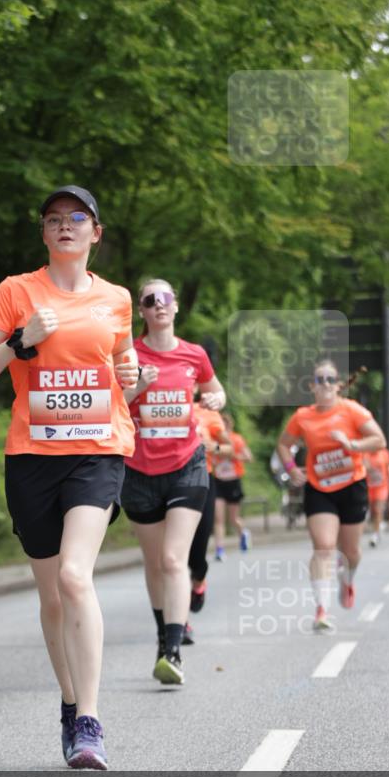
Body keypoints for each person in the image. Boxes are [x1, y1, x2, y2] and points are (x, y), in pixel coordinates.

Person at [0, 185, 138, 770]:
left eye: (77, 218)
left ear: (96, 232)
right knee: (51, 595)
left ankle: (89, 721)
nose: (65, 226)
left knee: (72, 575)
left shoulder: (116, 299)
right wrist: (19, 342)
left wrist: (130, 379)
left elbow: (122, 371)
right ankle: (69, 703)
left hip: (98, 451)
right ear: (44, 234)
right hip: (33, 457)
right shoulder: (16, 292)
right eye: (54, 219)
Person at [121, 280, 225, 685]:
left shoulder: (193, 354)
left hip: (187, 465)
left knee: (171, 560)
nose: (159, 304)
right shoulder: (128, 353)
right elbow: (112, 399)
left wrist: (216, 399)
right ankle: (163, 634)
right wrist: (139, 386)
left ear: (176, 307)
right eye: (150, 300)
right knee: (153, 563)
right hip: (140, 471)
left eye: (165, 298)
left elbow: (216, 392)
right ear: (142, 311)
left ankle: (172, 650)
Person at [277, 359, 386, 631]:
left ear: (339, 385)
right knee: (324, 547)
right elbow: (283, 444)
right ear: (312, 386)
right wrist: (291, 469)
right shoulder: (302, 416)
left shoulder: (352, 411)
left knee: (350, 551)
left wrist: (351, 444)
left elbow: (379, 440)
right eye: (319, 379)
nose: (324, 383)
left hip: (352, 485)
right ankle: (322, 610)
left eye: (330, 379)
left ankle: (347, 580)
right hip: (320, 487)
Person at [184, 401, 233, 641]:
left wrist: (212, 445)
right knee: (174, 557)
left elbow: (228, 448)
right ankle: (181, 622)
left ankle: (199, 580)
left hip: (203, 480)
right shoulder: (156, 403)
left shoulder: (209, 414)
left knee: (198, 552)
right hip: (169, 481)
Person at [213, 414, 253, 559]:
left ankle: (243, 533)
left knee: (233, 518)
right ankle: (219, 549)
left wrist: (234, 457)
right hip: (218, 481)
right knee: (218, 518)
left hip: (233, 480)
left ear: (229, 426)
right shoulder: (215, 441)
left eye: (224, 426)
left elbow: (249, 457)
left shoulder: (237, 439)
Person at [365, 446, 389, 547]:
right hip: (369, 487)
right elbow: (363, 467)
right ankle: (376, 528)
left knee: (378, 510)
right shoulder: (365, 453)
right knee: (372, 511)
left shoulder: (384, 453)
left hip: (382, 486)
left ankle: (375, 534)